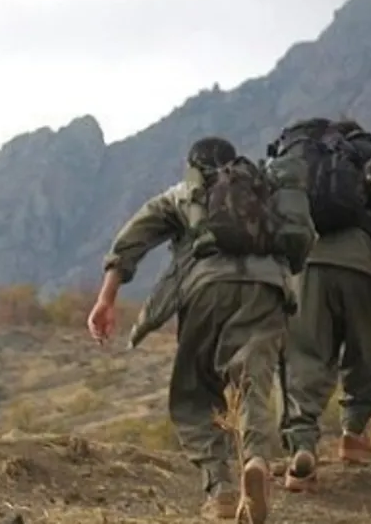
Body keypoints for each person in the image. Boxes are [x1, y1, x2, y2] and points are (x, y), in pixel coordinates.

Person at [86, 136, 315, 523]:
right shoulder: (266, 190)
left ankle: (221, 487)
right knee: (253, 380)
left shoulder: (185, 194)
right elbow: (301, 239)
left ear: (192, 165)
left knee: (196, 391)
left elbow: (131, 242)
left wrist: (106, 299)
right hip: (267, 288)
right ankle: (256, 458)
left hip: (206, 289)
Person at [273, 118, 371, 491]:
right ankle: (354, 434)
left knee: (305, 355)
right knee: (366, 350)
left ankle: (302, 447)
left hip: (306, 269)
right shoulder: (365, 162)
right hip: (362, 267)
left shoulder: (299, 168)